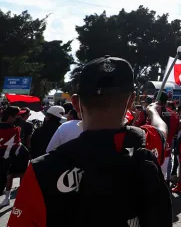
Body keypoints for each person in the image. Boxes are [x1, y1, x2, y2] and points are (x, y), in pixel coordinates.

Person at [8, 56, 172, 227]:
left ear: (76, 103)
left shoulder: (40, 171)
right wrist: (152, 111)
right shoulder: (145, 142)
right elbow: (162, 131)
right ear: (131, 101)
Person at [0, 107, 22, 207]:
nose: (17, 117)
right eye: (16, 116)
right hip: (5, 160)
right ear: (10, 117)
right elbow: (17, 145)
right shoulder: (15, 130)